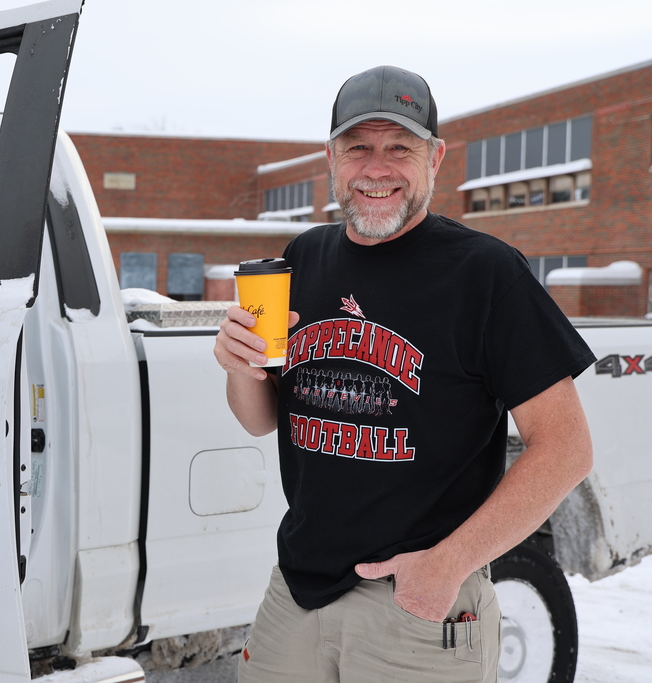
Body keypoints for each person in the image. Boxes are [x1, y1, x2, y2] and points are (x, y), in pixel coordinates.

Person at [215, 65, 595, 683]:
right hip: (295, 596)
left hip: (418, 607)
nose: (376, 168)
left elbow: (567, 449)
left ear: (436, 158)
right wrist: (240, 367)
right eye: (358, 147)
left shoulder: (485, 275)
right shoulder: (301, 260)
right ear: (331, 158)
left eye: (400, 148)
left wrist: (448, 565)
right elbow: (262, 420)